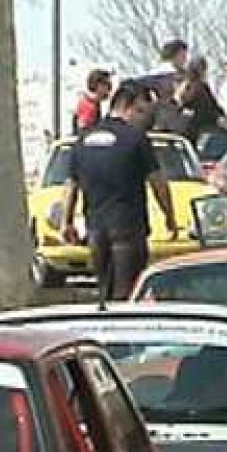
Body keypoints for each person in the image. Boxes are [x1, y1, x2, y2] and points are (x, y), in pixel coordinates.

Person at [60, 82, 179, 305]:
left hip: (96, 229)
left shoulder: (83, 139)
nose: (144, 119)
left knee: (104, 291)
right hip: (128, 229)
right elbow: (158, 182)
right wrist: (170, 217)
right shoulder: (136, 139)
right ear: (126, 105)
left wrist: (65, 222)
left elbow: (71, 184)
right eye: (141, 111)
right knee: (127, 293)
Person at [75, 68, 113, 134]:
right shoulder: (89, 105)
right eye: (104, 83)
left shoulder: (95, 102)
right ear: (94, 84)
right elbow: (83, 129)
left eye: (108, 83)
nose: (108, 87)